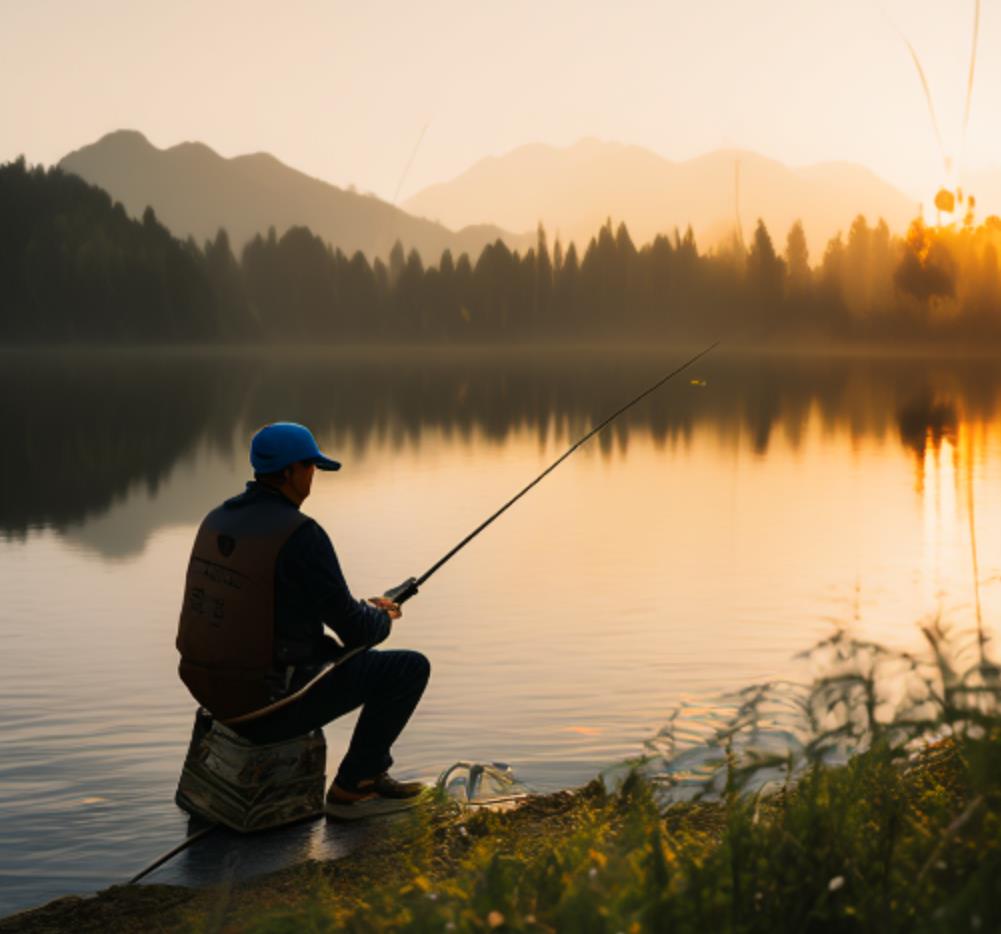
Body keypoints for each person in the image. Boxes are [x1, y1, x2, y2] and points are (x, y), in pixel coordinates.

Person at [176, 421, 430, 819]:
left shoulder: (217, 520)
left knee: (339, 654)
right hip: (267, 705)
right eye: (311, 468)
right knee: (408, 669)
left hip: (212, 693)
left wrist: (361, 615)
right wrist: (382, 617)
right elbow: (357, 630)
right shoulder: (300, 535)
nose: (313, 478)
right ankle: (355, 788)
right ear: (292, 471)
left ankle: (363, 778)